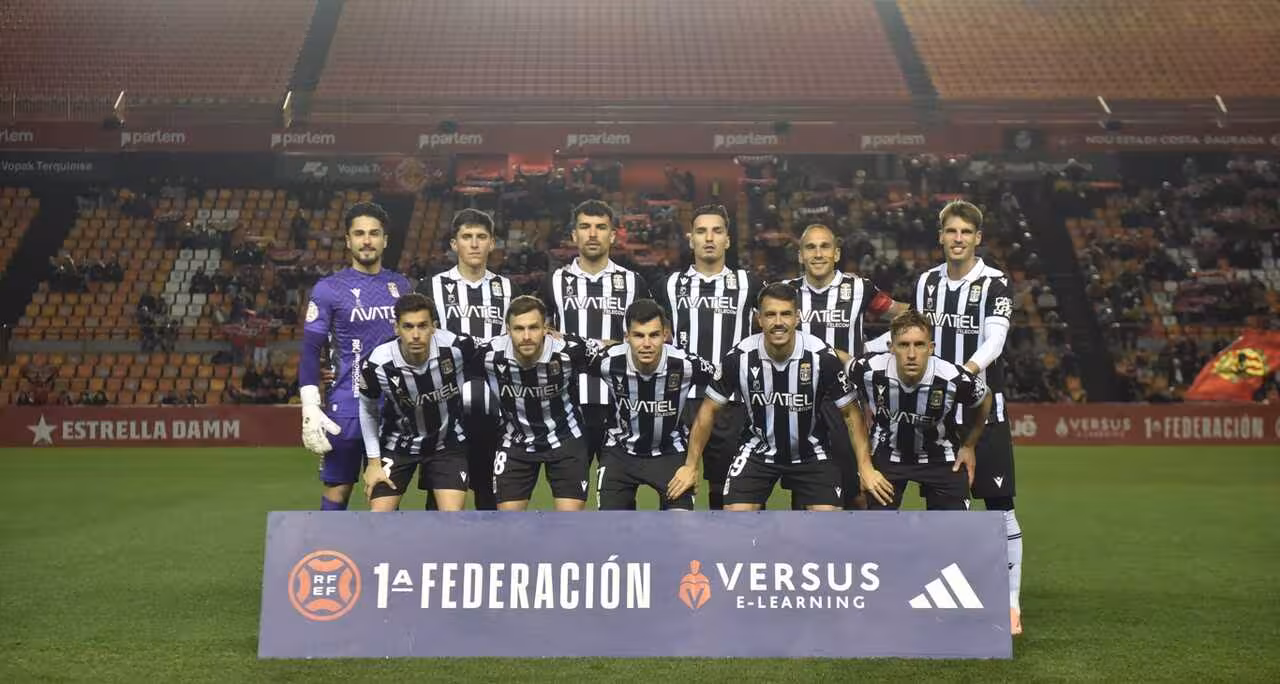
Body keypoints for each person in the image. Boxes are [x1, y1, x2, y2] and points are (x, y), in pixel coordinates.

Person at [867, 199, 1023, 635]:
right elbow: (909, 336)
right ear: (940, 236)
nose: (957, 239)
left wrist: (964, 376)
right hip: (927, 410)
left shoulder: (995, 283)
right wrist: (863, 355)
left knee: (998, 505)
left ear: (978, 239)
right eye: (950, 232)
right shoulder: (927, 284)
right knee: (930, 504)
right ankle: (910, 594)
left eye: (966, 233)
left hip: (978, 406)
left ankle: (1010, 603)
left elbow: (995, 340)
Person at [670, 283, 871, 511]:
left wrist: (866, 468)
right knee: (736, 516)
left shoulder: (822, 357)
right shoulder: (739, 358)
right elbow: (708, 410)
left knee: (827, 518)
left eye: (785, 314)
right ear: (759, 319)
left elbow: (851, 412)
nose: (778, 322)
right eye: (770, 315)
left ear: (796, 318)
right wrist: (690, 465)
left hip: (811, 453)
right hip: (758, 452)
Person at [298, 202, 412, 511]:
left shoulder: (401, 286)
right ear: (348, 240)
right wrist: (310, 405)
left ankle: (379, 560)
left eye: (374, 233)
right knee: (338, 490)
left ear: (385, 240)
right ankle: (328, 558)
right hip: (346, 406)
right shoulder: (329, 289)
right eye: (359, 234)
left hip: (393, 409)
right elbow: (310, 349)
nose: (367, 240)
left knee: (385, 496)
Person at [787, 223, 908, 511]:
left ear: (837, 253)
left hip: (846, 405)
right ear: (801, 255)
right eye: (810, 247)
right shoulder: (786, 293)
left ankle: (855, 554)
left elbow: (906, 315)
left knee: (855, 493)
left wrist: (872, 350)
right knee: (804, 494)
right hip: (798, 404)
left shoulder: (859, 288)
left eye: (825, 246)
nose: (818, 254)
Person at [656, 204, 759, 509]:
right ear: (691, 239)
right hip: (682, 401)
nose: (709, 238)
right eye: (701, 231)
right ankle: (678, 552)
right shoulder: (669, 286)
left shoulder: (748, 284)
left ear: (728, 239)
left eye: (717, 231)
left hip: (734, 404)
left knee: (727, 492)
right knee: (676, 489)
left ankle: (724, 553)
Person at [416, 209, 518, 511]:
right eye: (467, 237)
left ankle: (487, 557)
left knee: (489, 494)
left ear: (492, 243)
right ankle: (436, 558)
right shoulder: (431, 288)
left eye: (481, 237)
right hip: (445, 412)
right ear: (453, 244)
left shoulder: (509, 289)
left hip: (496, 411)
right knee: (440, 496)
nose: (474, 244)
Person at [541, 200, 649, 478]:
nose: (592, 234)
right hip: (567, 404)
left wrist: (584, 344)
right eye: (585, 227)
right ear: (574, 235)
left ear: (612, 235)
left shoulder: (633, 282)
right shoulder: (554, 281)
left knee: (617, 498)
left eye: (600, 227)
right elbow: (537, 336)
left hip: (620, 405)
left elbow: (650, 340)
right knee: (570, 498)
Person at [849, 310, 992, 512]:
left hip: (941, 458)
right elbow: (840, 359)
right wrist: (864, 467)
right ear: (891, 348)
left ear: (931, 348)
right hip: (888, 455)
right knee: (877, 533)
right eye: (904, 345)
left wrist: (969, 445)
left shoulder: (953, 378)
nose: (912, 354)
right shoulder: (869, 369)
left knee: (954, 534)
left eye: (919, 344)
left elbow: (985, 398)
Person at [469, 296, 599, 512]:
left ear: (546, 328)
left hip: (565, 439)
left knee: (569, 525)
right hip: (516, 442)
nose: (527, 336)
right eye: (519, 329)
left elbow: (611, 352)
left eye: (534, 328)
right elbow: (451, 351)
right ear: (507, 330)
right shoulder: (488, 354)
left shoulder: (569, 350)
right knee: (509, 525)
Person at [589, 299, 715, 511]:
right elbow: (569, 355)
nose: (647, 344)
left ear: (665, 335)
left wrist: (692, 466)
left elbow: (722, 383)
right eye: (638, 335)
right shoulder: (607, 361)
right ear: (626, 337)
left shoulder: (685, 365)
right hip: (620, 453)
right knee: (610, 531)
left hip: (670, 453)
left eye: (654, 335)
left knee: (679, 531)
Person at [357, 294, 474, 512]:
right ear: (396, 329)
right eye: (408, 327)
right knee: (377, 518)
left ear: (434, 327)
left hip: (446, 443)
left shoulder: (457, 348)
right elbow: (367, 410)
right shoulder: (377, 364)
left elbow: (496, 352)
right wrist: (373, 464)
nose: (416, 335)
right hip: (396, 445)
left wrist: (549, 336)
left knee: (452, 517)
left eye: (423, 326)